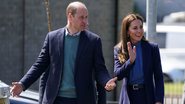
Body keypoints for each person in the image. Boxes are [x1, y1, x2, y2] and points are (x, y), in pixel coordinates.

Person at [10, 1, 117, 104]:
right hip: (55, 99)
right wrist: (23, 84)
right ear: (70, 16)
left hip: (82, 100)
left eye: (86, 17)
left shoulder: (94, 41)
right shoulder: (52, 38)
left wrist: (106, 81)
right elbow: (39, 65)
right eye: (81, 17)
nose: (85, 21)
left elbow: (100, 69)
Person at [114, 13, 164, 104]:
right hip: (128, 98)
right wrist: (130, 61)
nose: (139, 31)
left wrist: (159, 100)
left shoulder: (152, 48)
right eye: (135, 28)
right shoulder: (119, 49)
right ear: (127, 31)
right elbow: (118, 75)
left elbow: (159, 77)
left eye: (141, 27)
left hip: (147, 96)